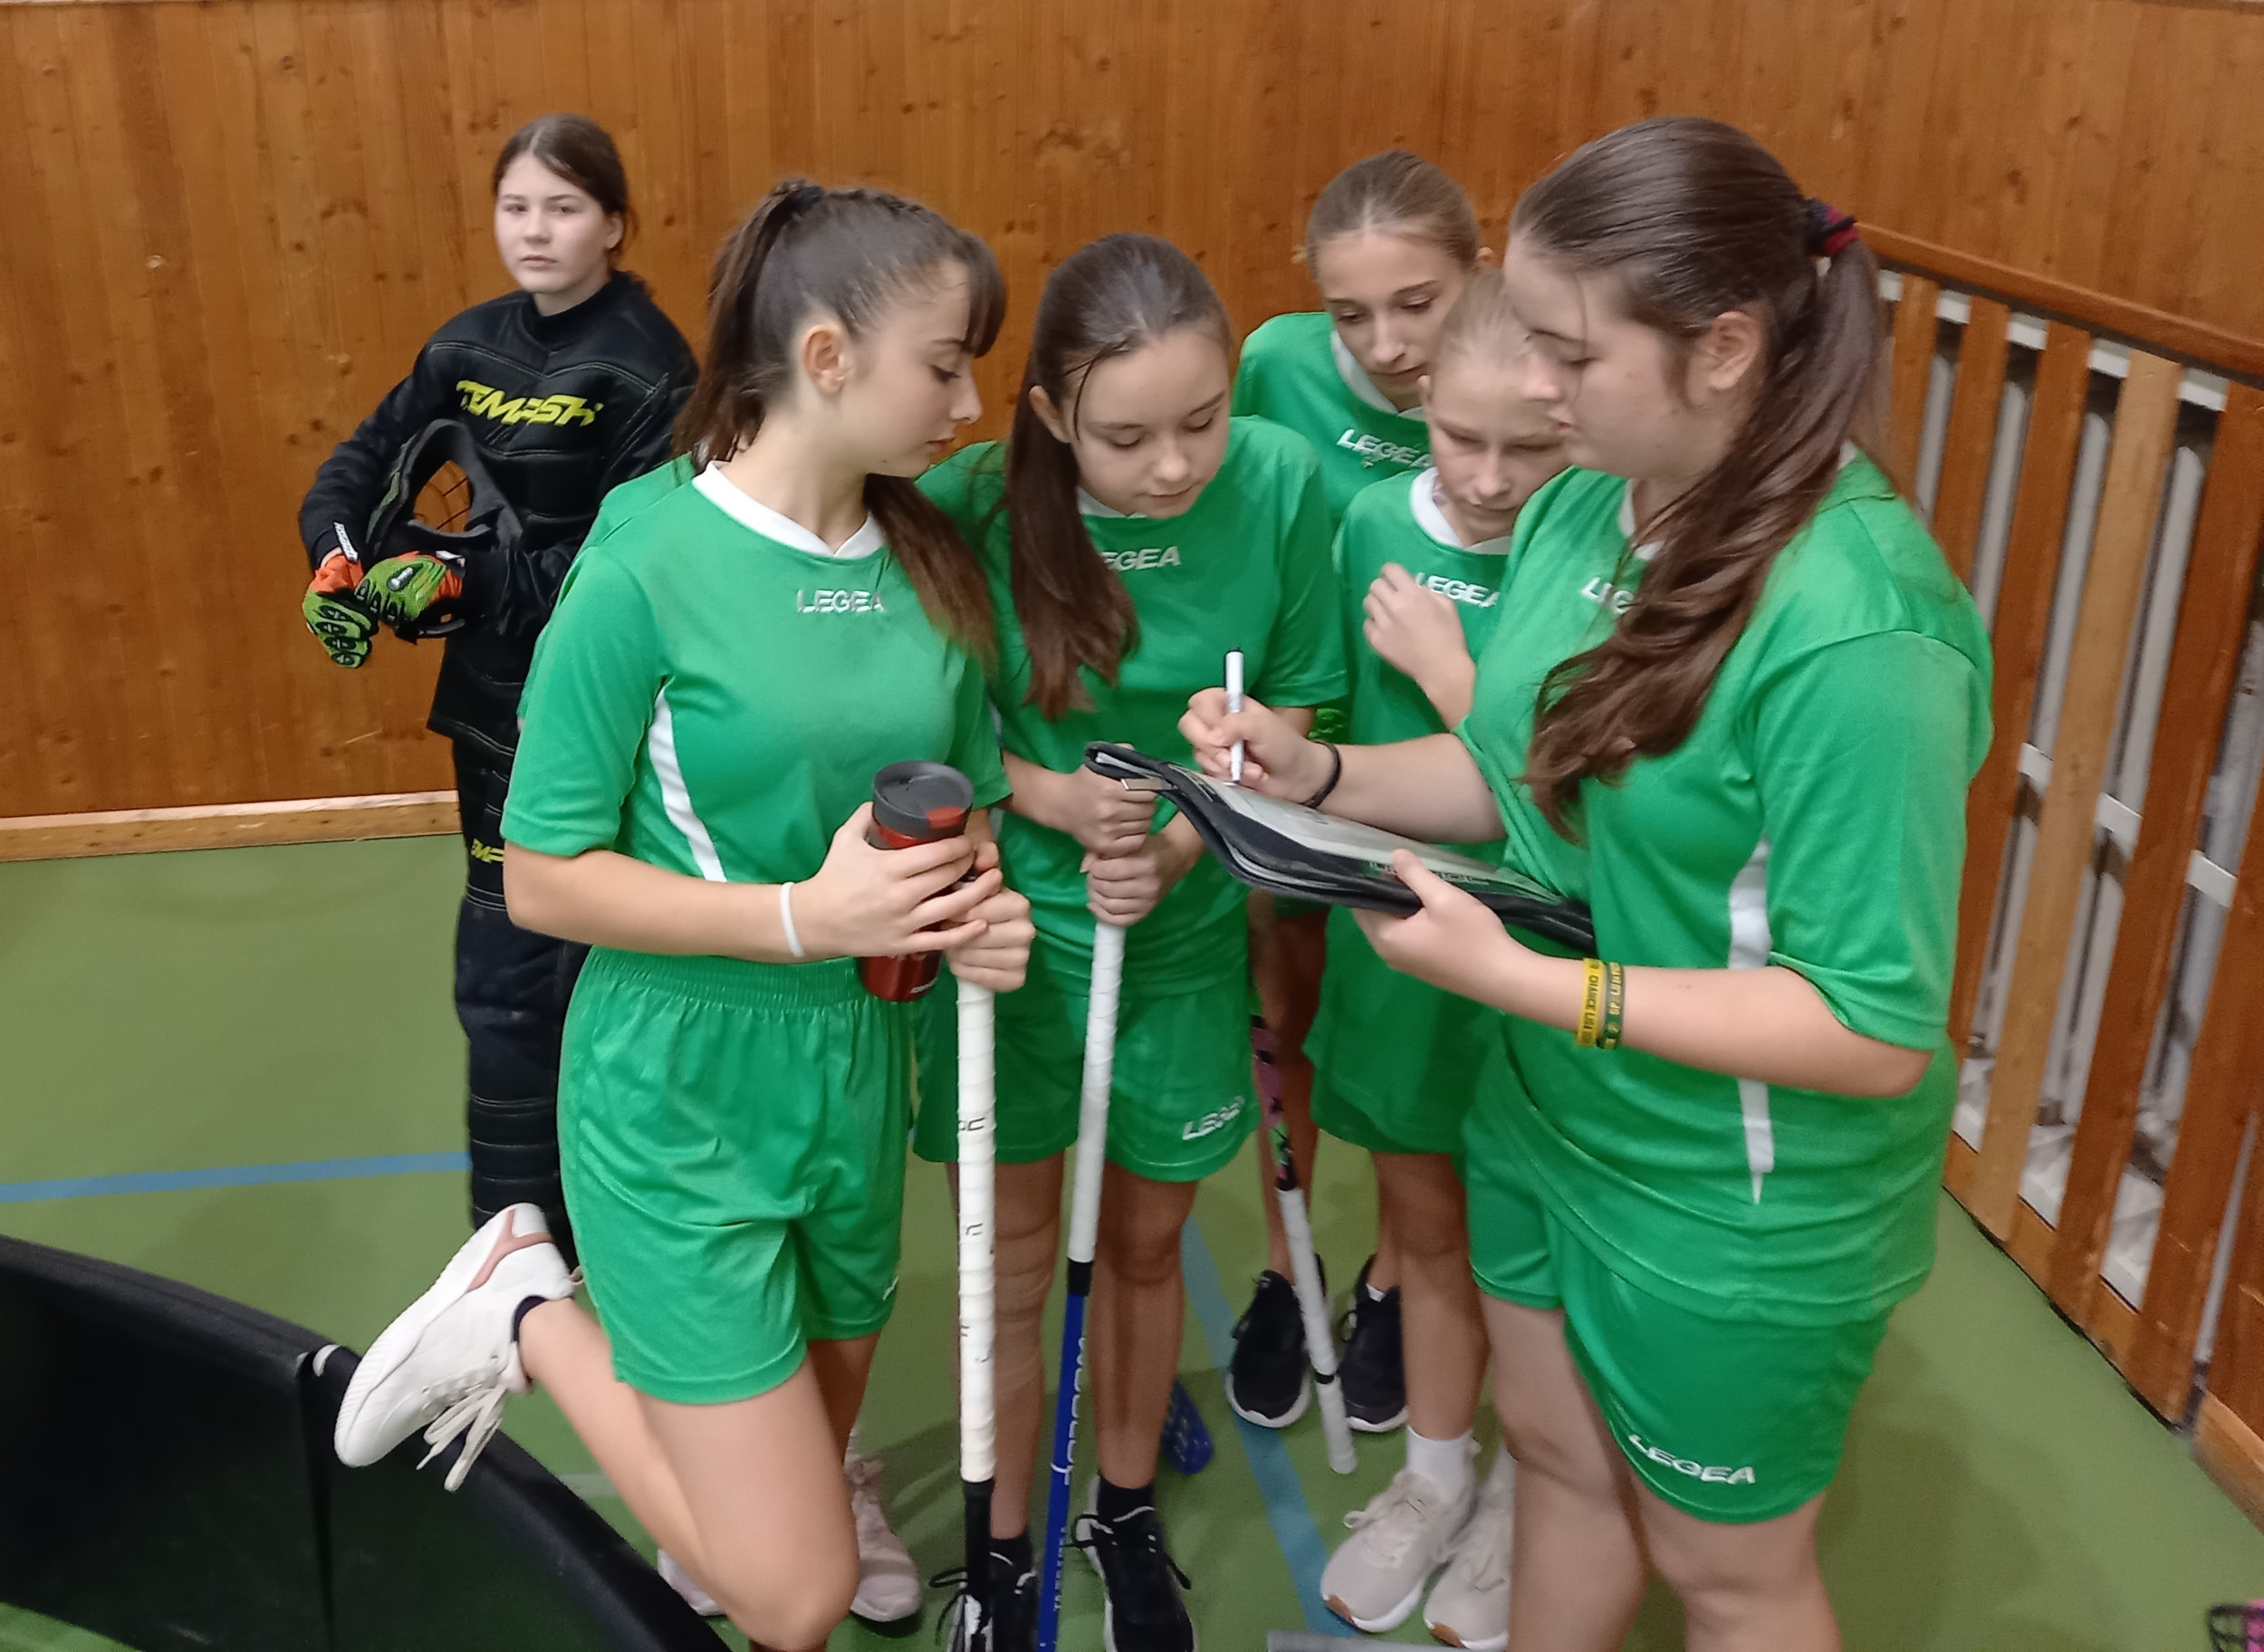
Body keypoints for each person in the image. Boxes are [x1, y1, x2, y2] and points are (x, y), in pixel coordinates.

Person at [1184, 117, 1991, 1652]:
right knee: (1559, 1472)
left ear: (1724, 349)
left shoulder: (1861, 629)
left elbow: (1869, 1024)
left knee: (1732, 1576)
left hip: (1729, 1201)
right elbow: (1517, 773)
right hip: (1547, 1114)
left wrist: (1530, 982)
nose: (1534, 387)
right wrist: (1319, 772)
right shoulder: (1582, 502)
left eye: (1570, 353)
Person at [329, 180, 1034, 1652]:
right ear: (828, 357)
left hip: (857, 1076)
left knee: (776, 1505)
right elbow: (544, 874)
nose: (971, 404)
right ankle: (523, 1302)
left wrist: (976, 906)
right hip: (677, 1089)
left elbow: (960, 804)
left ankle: (735, 1496)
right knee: (792, 1593)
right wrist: (806, 916)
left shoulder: (929, 564)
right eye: (945, 365)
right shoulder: (645, 561)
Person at [912, 233, 1345, 1652]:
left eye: (1203, 421)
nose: (1175, 467)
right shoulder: (972, 504)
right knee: (1019, 1262)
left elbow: (1302, 700)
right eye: (1127, 438)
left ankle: (1123, 1505)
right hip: (1014, 935)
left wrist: (1181, 838)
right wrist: (1044, 794)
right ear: (1049, 412)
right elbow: (928, 720)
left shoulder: (1278, 482)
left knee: (1147, 1245)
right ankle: (1002, 1545)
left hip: (1183, 924)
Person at [296, 114, 696, 1267]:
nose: (535, 229)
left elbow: (635, 564)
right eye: (516, 206)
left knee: (601, 967)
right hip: (485, 715)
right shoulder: (465, 347)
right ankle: (513, 1250)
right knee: (504, 971)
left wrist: (458, 578)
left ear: (614, 225)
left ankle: (627, 1229)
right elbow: (354, 470)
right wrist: (338, 563)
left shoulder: (651, 367)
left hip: (603, 714)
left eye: (563, 208)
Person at [1305, 272, 1565, 1648]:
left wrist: (1457, 671)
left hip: (1550, 956)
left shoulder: (1594, 549)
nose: (1492, 477)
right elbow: (1338, 742)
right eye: (1463, 439)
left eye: (1532, 446)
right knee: (1427, 1228)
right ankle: (1434, 1476)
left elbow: (1561, 780)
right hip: (1401, 950)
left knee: (1538, 1250)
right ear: (1421, 407)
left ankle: (1534, 1491)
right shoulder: (1367, 525)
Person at [1226, 152, 1490, 1435]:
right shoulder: (1272, 368)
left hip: (1439, 779)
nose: (1386, 345)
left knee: (1410, 1041)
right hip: (1302, 767)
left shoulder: (1519, 392)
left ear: (1477, 277)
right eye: (1351, 312)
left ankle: (1394, 1278)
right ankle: (1291, 1269)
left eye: (1417, 304)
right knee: (1287, 1022)